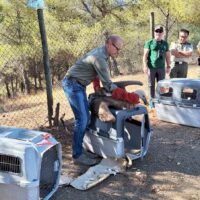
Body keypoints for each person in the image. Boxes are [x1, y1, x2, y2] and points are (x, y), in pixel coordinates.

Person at [62, 35, 141, 166]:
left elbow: (95, 71)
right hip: (73, 85)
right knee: (82, 120)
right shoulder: (100, 57)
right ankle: (77, 155)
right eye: (117, 48)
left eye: (120, 49)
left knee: (84, 118)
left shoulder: (101, 53)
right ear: (109, 44)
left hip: (77, 84)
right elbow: (109, 85)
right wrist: (131, 97)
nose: (118, 52)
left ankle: (81, 150)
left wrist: (96, 86)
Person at [143, 25, 171, 106]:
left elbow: (168, 55)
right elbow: (145, 55)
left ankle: (160, 101)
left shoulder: (165, 43)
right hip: (151, 67)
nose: (158, 33)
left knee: (161, 85)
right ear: (154, 32)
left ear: (163, 33)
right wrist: (145, 66)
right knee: (151, 85)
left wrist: (168, 66)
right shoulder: (149, 42)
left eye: (160, 31)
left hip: (161, 68)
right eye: (157, 31)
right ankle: (152, 102)